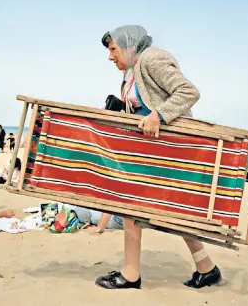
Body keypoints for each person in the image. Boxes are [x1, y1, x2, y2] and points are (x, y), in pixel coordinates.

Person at [94, 25, 219, 290]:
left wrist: (158, 115)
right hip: (152, 150)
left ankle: (130, 275)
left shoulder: (151, 58)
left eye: (113, 49)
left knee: (130, 206)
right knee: (171, 210)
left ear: (129, 45)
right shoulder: (132, 71)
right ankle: (207, 269)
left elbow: (188, 92)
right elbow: (144, 107)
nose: (110, 56)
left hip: (168, 149)